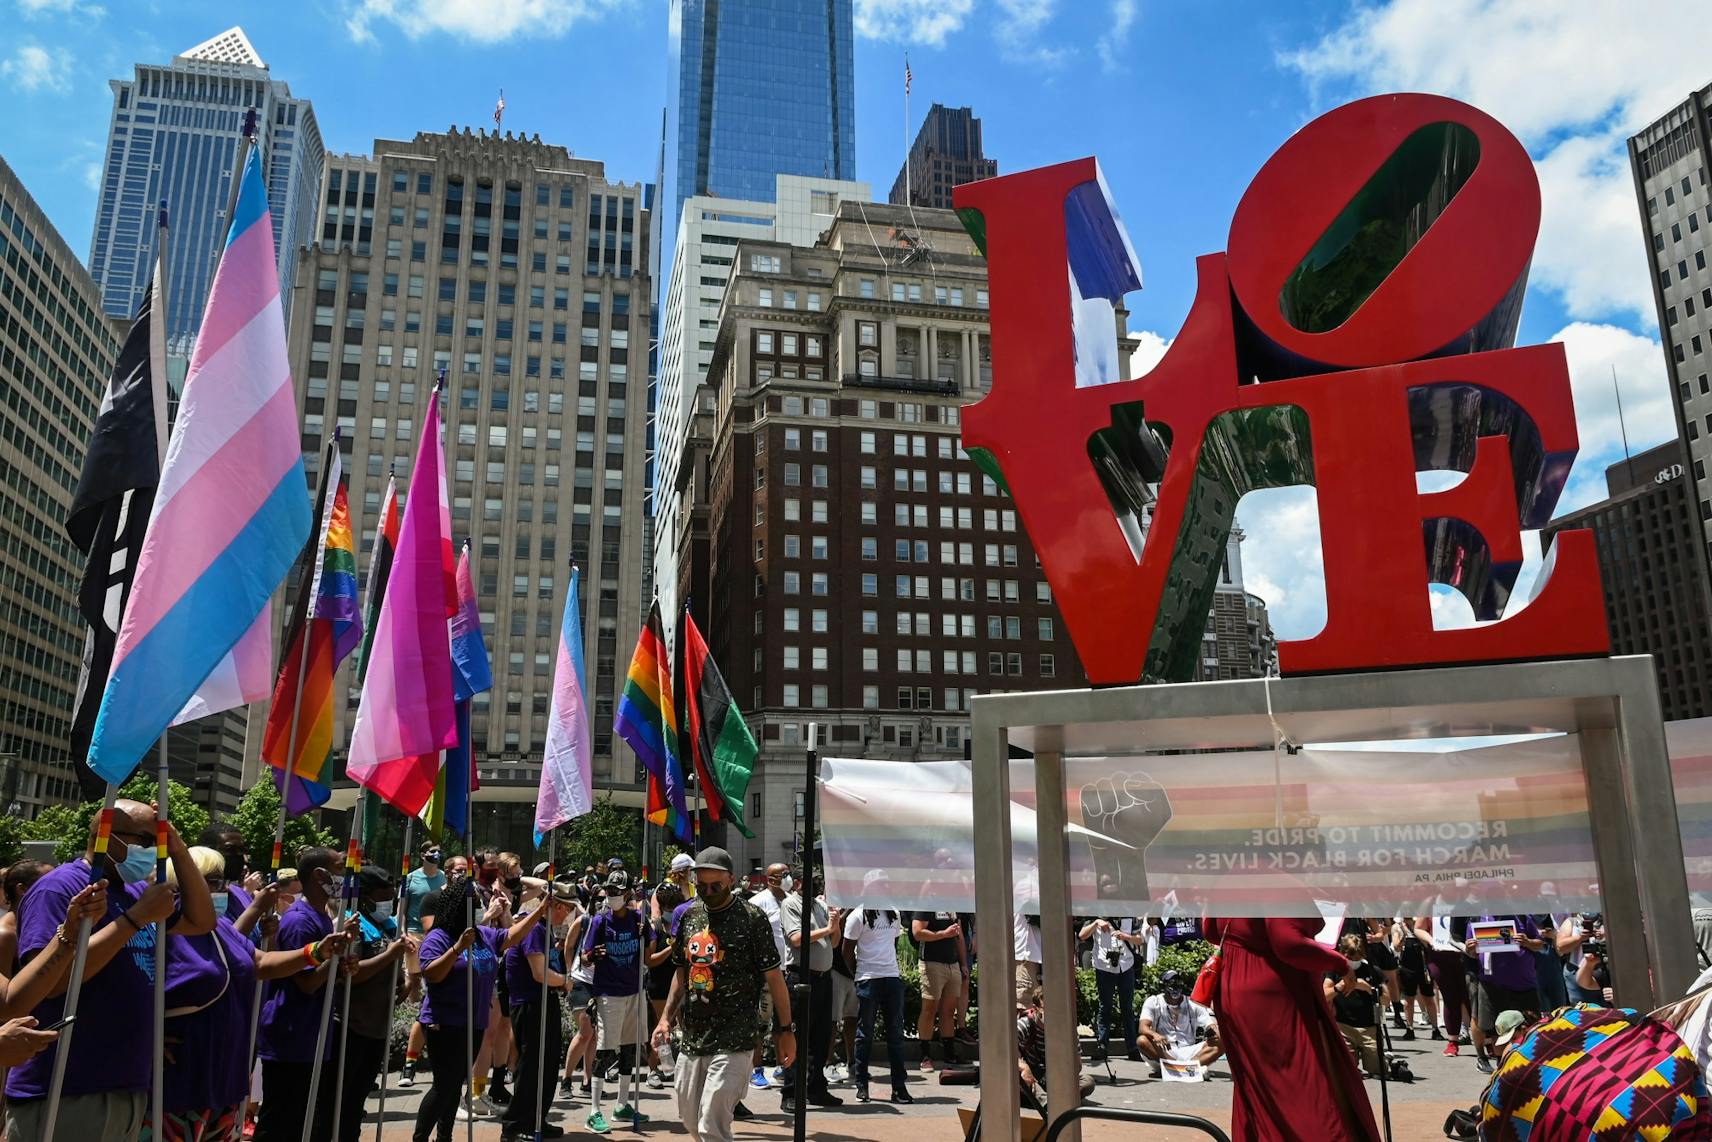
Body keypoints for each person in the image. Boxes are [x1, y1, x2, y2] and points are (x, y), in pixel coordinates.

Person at [4, 797, 214, 1142]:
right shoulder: (61, 888)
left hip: (124, 1084)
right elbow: (53, 985)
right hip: (69, 1088)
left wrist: (176, 845)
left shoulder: (133, 892)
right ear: (109, 836)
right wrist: (134, 921)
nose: (152, 850)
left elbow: (201, 920)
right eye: (147, 840)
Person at [161, 847, 355, 1142]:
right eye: (212, 882)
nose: (223, 889)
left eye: (223, 881)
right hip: (180, 1078)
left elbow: (261, 962)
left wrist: (317, 952)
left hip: (222, 1074)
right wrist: (144, 1032)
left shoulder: (220, 929)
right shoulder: (160, 933)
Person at [653, 847, 794, 1142]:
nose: (708, 891)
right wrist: (665, 1019)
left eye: (715, 885)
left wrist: (785, 1030)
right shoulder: (689, 916)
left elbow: (775, 978)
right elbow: (682, 974)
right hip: (694, 1036)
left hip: (736, 1036)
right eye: (701, 886)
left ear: (731, 879)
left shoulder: (752, 918)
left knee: (711, 1126)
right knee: (691, 1120)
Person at [1202, 917, 1380, 1142]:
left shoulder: (1225, 883)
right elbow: (1289, 945)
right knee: (1304, 1090)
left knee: (1259, 1092)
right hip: (1276, 993)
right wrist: (1341, 964)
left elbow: (1210, 931)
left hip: (1235, 987)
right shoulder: (1277, 882)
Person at [413, 876, 535, 1142]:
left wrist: (540, 911)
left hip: (474, 1022)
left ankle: (444, 1137)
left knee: (455, 1084)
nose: (481, 907)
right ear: (460, 907)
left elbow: (511, 936)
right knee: (444, 1085)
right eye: (476, 903)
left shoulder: (481, 935)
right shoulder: (440, 936)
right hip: (444, 1023)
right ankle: (420, 1137)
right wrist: (457, 949)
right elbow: (431, 973)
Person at [255, 847, 349, 1142]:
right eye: (339, 868)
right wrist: (333, 961)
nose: (344, 876)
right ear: (320, 875)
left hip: (309, 1033)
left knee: (299, 1119)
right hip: (290, 1034)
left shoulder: (322, 916)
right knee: (280, 1121)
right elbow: (306, 983)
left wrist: (341, 965)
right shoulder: (299, 920)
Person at [329, 864, 417, 1142]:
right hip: (351, 1027)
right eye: (383, 896)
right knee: (339, 1103)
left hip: (377, 1026)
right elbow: (350, 974)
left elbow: (397, 977)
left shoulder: (389, 924)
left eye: (392, 896)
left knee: (357, 1101)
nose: (388, 902)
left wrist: (407, 982)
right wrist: (390, 955)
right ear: (366, 896)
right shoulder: (354, 926)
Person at [500, 878, 577, 1142]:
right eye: (565, 907)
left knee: (546, 1063)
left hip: (544, 1001)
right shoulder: (533, 929)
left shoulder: (544, 928)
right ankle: (515, 1124)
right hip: (530, 1003)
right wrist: (565, 981)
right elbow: (539, 973)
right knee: (531, 1066)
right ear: (551, 904)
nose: (567, 913)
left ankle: (536, 1119)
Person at [581, 873, 651, 1133]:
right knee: (606, 1049)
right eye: (609, 890)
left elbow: (649, 956)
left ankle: (622, 1105)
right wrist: (592, 955)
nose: (612, 895)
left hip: (634, 992)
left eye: (617, 891)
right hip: (609, 994)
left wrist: (647, 936)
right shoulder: (600, 921)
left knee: (630, 1048)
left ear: (628, 893)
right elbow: (585, 958)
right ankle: (594, 1110)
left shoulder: (637, 920)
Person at [779, 875, 843, 1111]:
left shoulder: (820, 906)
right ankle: (791, 1092)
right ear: (798, 883)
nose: (814, 885)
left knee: (821, 1036)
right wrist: (827, 928)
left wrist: (835, 926)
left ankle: (816, 1088)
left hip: (824, 979)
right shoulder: (791, 904)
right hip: (801, 977)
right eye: (809, 881)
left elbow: (834, 942)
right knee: (797, 1035)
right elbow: (796, 939)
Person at [844, 896, 911, 1104]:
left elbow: (895, 942)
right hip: (868, 978)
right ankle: (862, 1085)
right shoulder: (857, 915)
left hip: (891, 976)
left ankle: (899, 1087)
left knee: (896, 1034)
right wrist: (858, 974)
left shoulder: (894, 912)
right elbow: (846, 950)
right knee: (865, 1034)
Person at [1466, 913, 1543, 1075]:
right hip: (1491, 985)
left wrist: (1528, 942)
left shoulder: (1522, 917)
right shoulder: (1477, 919)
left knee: (1530, 1029)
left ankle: (1530, 1069)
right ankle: (1502, 1071)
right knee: (1497, 1031)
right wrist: (1470, 949)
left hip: (1523, 984)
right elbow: (1472, 953)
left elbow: (1540, 944)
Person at [746, 863, 791, 1091]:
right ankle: (756, 1070)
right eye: (783, 874)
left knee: (783, 1023)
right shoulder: (757, 903)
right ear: (770, 878)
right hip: (765, 973)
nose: (788, 878)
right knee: (760, 1023)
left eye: (788, 873)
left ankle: (782, 1065)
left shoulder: (792, 901)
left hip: (787, 970)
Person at [1080, 916, 1142, 1062]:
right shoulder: (1096, 915)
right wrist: (1096, 923)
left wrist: (1126, 937)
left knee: (1127, 1008)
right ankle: (1102, 1046)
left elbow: (1139, 939)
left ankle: (1132, 1048)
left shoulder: (1129, 915)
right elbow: (1082, 935)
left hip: (1126, 965)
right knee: (1105, 1007)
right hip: (1104, 966)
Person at [1137, 969, 1221, 1076]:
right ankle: (1185, 1069)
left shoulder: (1192, 1003)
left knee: (1223, 1038)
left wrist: (1212, 1032)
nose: (1175, 987)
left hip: (1190, 1052)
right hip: (1165, 1052)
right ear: (1164, 986)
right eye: (1171, 983)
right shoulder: (1153, 1001)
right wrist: (1155, 1035)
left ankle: (1176, 1069)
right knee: (1142, 1040)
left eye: (1178, 983)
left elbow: (1210, 1024)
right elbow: (1142, 1027)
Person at [1017, 985, 1095, 1099]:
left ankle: (1057, 1098)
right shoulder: (1025, 1024)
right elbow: (1004, 1049)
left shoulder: (1067, 1029)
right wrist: (1023, 1067)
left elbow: (1077, 1065)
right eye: (1046, 1008)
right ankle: (1052, 1101)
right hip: (1032, 1074)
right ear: (1036, 1008)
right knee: (1020, 1080)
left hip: (1055, 1074)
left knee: (1088, 1081)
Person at [912, 907, 966, 1072]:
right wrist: (943, 934)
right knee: (929, 1009)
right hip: (931, 962)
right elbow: (917, 932)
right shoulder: (926, 904)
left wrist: (963, 963)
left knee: (949, 1010)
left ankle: (949, 1054)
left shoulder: (953, 905)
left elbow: (959, 936)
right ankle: (925, 1056)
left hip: (953, 963)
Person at [1325, 934, 1386, 1076]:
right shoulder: (1334, 970)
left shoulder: (1372, 970)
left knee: (1377, 1070)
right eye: (1350, 958)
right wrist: (1338, 987)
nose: (1353, 961)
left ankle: (1383, 1059)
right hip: (1343, 1026)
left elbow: (1386, 999)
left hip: (1369, 1027)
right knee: (1346, 1070)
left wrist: (1368, 988)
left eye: (1357, 958)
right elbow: (1324, 995)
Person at [1415, 916, 1472, 1057]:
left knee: (1472, 997)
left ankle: (1487, 1041)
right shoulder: (1431, 902)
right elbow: (1418, 928)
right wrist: (1431, 940)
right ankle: (1453, 1041)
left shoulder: (1468, 900)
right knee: (1450, 998)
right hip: (1440, 956)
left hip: (1467, 955)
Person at [646, 882, 685, 1088]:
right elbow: (649, 960)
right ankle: (653, 1070)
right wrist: (671, 948)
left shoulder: (683, 923)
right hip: (660, 985)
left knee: (685, 1028)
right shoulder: (656, 927)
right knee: (662, 1028)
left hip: (680, 983)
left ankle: (679, 1069)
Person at [1394, 913, 1441, 1042]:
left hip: (1424, 966)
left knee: (1429, 998)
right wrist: (1403, 935)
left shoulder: (1421, 926)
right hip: (1407, 967)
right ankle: (1410, 1028)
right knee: (1409, 1000)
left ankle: (1435, 1029)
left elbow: (1428, 944)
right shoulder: (1398, 927)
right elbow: (1396, 946)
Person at [1013, 911, 1043, 1006]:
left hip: (1037, 955)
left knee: (1038, 1001)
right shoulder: (1022, 897)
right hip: (1026, 955)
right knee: (1025, 1002)